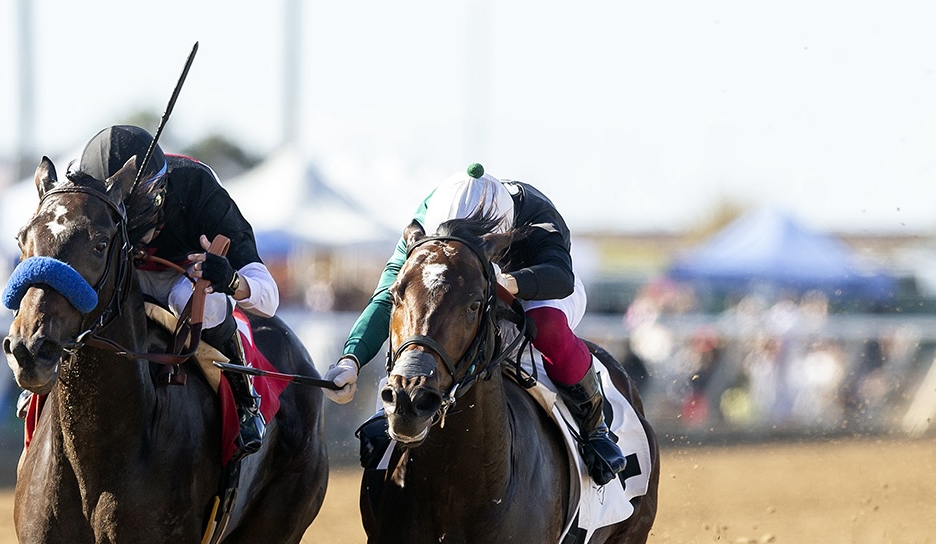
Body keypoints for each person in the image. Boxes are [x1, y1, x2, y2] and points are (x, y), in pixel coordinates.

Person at [323, 164, 627, 485]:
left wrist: (503, 282)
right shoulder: (426, 214)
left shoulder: (536, 216)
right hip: (462, 288)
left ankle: (595, 428)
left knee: (546, 323)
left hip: (531, 285)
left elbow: (561, 279)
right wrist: (351, 359)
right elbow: (389, 296)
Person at [74, 124, 278, 456]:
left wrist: (230, 281)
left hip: (184, 275)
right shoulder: (83, 198)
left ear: (160, 193)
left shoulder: (198, 187)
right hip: (119, 275)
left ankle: (245, 396)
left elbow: (268, 298)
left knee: (192, 300)